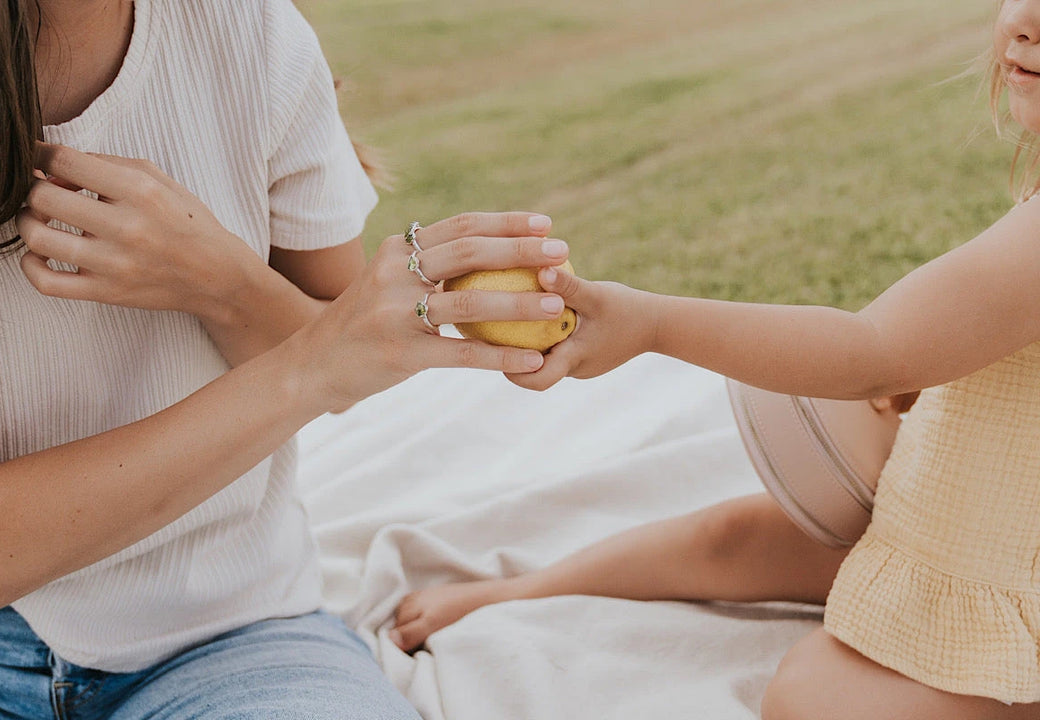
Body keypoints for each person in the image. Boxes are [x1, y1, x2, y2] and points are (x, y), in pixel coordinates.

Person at [392, 1, 1040, 717]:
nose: (1025, 20)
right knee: (728, 538)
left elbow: (873, 350)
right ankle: (517, 592)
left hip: (1011, 565)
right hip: (980, 515)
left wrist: (651, 323)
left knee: (808, 698)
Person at [0, 0, 572, 717]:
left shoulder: (252, 32)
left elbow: (333, 351)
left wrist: (220, 282)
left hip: (229, 627)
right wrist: (312, 364)